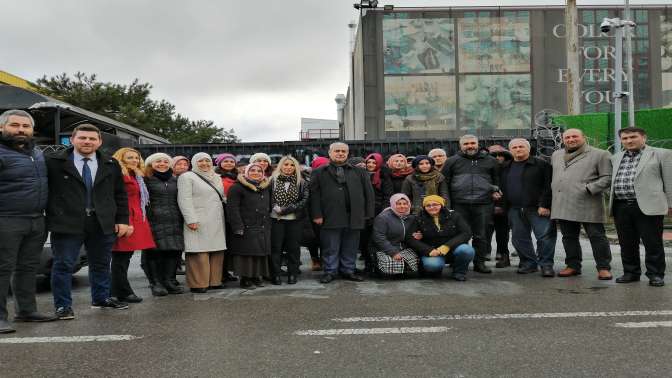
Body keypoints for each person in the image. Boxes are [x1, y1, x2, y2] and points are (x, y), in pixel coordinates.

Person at [46, 124, 130, 320]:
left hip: (102, 222)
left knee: (101, 264)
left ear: (99, 142)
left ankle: (101, 298)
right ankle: (63, 306)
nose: (87, 142)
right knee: (63, 265)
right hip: (67, 223)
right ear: (73, 139)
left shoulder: (110, 163)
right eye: (83, 138)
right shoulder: (53, 161)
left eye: (92, 139)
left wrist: (122, 220)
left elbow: (120, 194)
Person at [0, 110, 57, 333]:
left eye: (25, 126)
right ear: (3, 128)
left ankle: (26, 310)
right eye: (15, 125)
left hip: (36, 220)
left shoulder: (37, 152)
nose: (21, 130)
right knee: (2, 269)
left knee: (27, 267)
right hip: (6, 219)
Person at [609, 127, 672, 287]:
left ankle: (655, 274)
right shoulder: (616, 157)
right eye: (625, 138)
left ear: (643, 137)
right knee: (626, 243)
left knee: (652, 243)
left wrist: (671, 204)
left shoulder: (662, 154)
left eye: (633, 137)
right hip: (621, 206)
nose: (629, 141)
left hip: (648, 206)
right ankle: (631, 272)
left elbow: (670, 182)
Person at [551, 129, 613, 280]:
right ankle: (573, 265)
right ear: (563, 139)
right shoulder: (556, 154)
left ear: (583, 138)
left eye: (574, 136)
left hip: (588, 202)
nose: (571, 139)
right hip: (563, 202)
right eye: (567, 137)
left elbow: (608, 177)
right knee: (568, 237)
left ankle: (603, 267)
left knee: (597, 236)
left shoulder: (600, 154)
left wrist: (589, 189)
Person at [310, 142, 375, 284]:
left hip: (354, 215)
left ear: (347, 153)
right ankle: (330, 271)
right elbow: (314, 196)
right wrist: (316, 214)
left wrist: (368, 214)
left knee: (351, 246)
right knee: (330, 246)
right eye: (337, 151)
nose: (340, 153)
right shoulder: (319, 172)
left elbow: (369, 194)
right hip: (329, 215)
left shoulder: (360, 172)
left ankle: (348, 270)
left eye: (343, 151)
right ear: (330, 153)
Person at [442, 135, 501, 274]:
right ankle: (459, 262)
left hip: (483, 204)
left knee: (481, 235)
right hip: (459, 204)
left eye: (473, 143)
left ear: (478, 144)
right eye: (466, 143)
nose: (470, 146)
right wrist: (448, 204)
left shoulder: (491, 161)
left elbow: (497, 179)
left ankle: (479, 263)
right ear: (460, 145)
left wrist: (495, 190)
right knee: (460, 235)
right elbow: (445, 182)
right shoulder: (452, 161)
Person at [501, 139, 556, 277]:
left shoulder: (541, 165)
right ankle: (529, 263)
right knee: (519, 238)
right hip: (514, 208)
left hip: (537, 209)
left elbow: (548, 186)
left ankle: (546, 265)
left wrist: (545, 205)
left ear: (528, 148)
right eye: (514, 147)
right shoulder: (505, 167)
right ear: (510, 150)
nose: (518, 149)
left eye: (521, 146)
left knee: (544, 237)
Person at [110, 148, 156, 303]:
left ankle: (117, 291)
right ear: (120, 158)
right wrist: (123, 221)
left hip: (136, 217)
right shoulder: (119, 175)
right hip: (125, 219)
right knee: (120, 258)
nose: (135, 160)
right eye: (130, 157)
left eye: (137, 158)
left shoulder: (136, 175)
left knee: (124, 258)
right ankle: (122, 291)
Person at [177, 153, 227, 293]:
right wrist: (190, 219)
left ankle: (214, 281)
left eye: (207, 160)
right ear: (194, 162)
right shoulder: (187, 177)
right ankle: (198, 283)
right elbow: (184, 199)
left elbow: (221, 197)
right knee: (199, 251)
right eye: (200, 161)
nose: (204, 163)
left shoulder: (216, 177)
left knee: (217, 250)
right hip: (198, 219)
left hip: (216, 218)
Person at [143, 153, 185, 296]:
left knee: (173, 251)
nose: (162, 164)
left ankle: (168, 280)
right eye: (158, 161)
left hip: (174, 220)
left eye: (165, 161)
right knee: (154, 253)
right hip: (153, 220)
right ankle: (156, 283)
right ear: (151, 164)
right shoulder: (145, 179)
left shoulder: (175, 179)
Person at [405, 195, 474, 281]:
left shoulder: (454, 216)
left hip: (452, 249)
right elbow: (410, 238)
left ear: (441, 205)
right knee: (433, 266)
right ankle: (436, 269)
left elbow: (466, 233)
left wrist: (447, 246)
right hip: (432, 251)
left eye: (435, 204)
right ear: (424, 207)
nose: (432, 207)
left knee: (466, 250)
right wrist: (428, 250)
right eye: (428, 205)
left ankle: (459, 272)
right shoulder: (418, 218)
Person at [227, 163, 272, 289]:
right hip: (245, 226)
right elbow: (232, 209)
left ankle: (256, 276)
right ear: (246, 172)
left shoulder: (265, 187)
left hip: (262, 225)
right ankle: (245, 278)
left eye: (259, 171)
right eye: (252, 170)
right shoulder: (237, 187)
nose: (256, 172)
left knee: (258, 253)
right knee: (246, 254)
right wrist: (238, 226)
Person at [269, 156, 309, 285]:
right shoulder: (272, 180)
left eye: (292, 165)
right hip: (276, 219)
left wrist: (286, 210)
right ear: (281, 166)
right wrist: (276, 208)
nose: (288, 167)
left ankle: (293, 273)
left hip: (295, 219)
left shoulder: (302, 182)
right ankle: (276, 275)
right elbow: (268, 198)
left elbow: (304, 200)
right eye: (285, 164)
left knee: (294, 248)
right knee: (276, 248)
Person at [361, 152, 393, 273]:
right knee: (364, 240)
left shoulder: (384, 177)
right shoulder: (361, 175)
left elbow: (387, 196)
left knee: (376, 239)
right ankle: (368, 264)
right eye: (368, 162)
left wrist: (383, 212)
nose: (371, 164)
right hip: (363, 212)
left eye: (374, 162)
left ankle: (377, 264)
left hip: (378, 212)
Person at [371, 194, 419, 277]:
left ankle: (404, 269)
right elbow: (379, 237)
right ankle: (377, 266)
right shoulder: (383, 218)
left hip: (403, 248)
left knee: (418, 261)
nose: (402, 206)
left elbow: (413, 234)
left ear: (409, 205)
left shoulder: (411, 218)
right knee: (391, 265)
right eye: (398, 204)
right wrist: (393, 252)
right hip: (385, 249)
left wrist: (418, 234)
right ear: (393, 204)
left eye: (405, 203)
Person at [214, 152, 240, 283]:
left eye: (231, 161)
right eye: (225, 161)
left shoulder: (239, 176)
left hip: (235, 212)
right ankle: (221, 272)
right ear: (219, 163)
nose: (229, 163)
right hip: (220, 211)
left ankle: (227, 271)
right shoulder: (215, 177)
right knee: (221, 243)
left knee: (231, 244)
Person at [487, 145, 513, 267]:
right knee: (486, 230)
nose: (498, 158)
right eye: (495, 156)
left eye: (500, 155)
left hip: (505, 205)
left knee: (503, 232)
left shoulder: (510, 169)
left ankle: (503, 255)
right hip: (487, 204)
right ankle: (486, 252)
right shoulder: (487, 168)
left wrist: (500, 205)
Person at [304, 156, 330, 271]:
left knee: (326, 238)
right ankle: (315, 259)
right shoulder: (308, 179)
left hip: (329, 212)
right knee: (313, 238)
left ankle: (325, 259)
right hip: (312, 213)